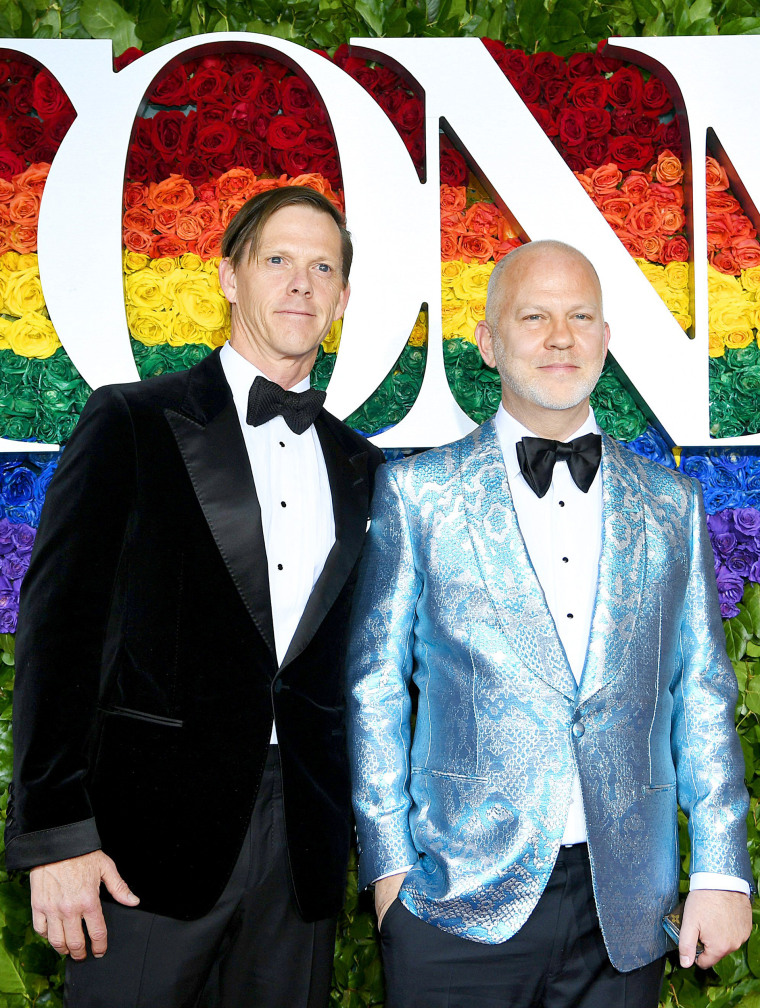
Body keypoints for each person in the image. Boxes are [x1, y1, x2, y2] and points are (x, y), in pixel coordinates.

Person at [346, 239, 753, 1008]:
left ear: (604, 338)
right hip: (452, 901)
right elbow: (374, 692)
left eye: (580, 317)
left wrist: (722, 870)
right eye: (534, 317)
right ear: (489, 343)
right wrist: (390, 872)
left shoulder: (672, 504)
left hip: (626, 906)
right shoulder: (417, 494)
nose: (560, 337)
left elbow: (700, 692)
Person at [6, 185, 384, 1008]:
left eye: (323, 267)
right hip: (142, 847)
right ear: (227, 277)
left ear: (344, 297)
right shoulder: (130, 424)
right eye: (277, 260)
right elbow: (58, 635)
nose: (300, 283)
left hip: (302, 851)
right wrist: (53, 836)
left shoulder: (365, 468)